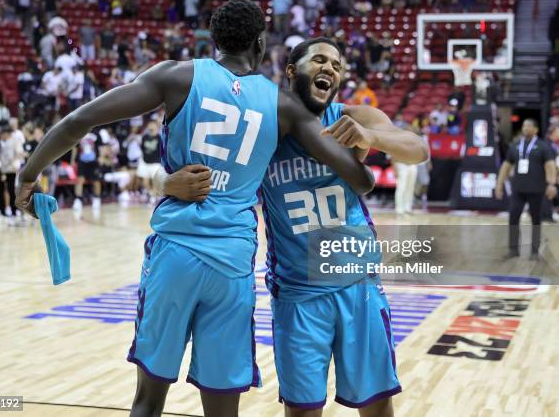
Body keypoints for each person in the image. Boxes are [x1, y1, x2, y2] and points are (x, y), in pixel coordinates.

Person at [14, 0, 374, 417]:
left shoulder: (176, 76)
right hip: (233, 267)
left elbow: (80, 121)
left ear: (213, 41)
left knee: (148, 401)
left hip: (176, 256)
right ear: (261, 44)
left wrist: (28, 175)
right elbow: (360, 180)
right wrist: (363, 142)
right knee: (222, 409)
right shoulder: (283, 105)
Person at [160, 38, 428, 416]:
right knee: (303, 411)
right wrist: (164, 182)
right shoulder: (263, 128)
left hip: (357, 287)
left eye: (336, 65)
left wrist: (373, 137)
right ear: (291, 72)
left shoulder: (350, 117)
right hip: (297, 295)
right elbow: (207, 163)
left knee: (377, 406)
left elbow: (417, 148)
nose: (330, 69)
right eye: (319, 60)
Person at [495, 119, 557, 258]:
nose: (525, 128)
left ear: (536, 130)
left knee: (536, 220)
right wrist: (499, 184)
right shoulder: (515, 146)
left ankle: (535, 251)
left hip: (537, 189)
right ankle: (513, 249)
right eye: (524, 125)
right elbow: (506, 166)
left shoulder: (542, 146)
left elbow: (550, 166)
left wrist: (551, 184)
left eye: (529, 125)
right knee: (513, 217)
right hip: (518, 189)